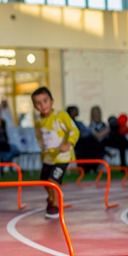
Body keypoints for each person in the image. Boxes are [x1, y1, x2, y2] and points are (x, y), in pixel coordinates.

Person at [32, 87, 79, 218]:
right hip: (48, 157)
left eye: (45, 101)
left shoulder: (61, 115)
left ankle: (56, 206)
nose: (43, 105)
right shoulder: (38, 121)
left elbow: (74, 130)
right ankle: (52, 197)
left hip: (62, 157)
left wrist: (68, 144)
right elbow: (39, 137)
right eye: (38, 103)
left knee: (53, 180)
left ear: (51, 101)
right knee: (44, 181)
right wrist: (42, 151)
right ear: (35, 106)